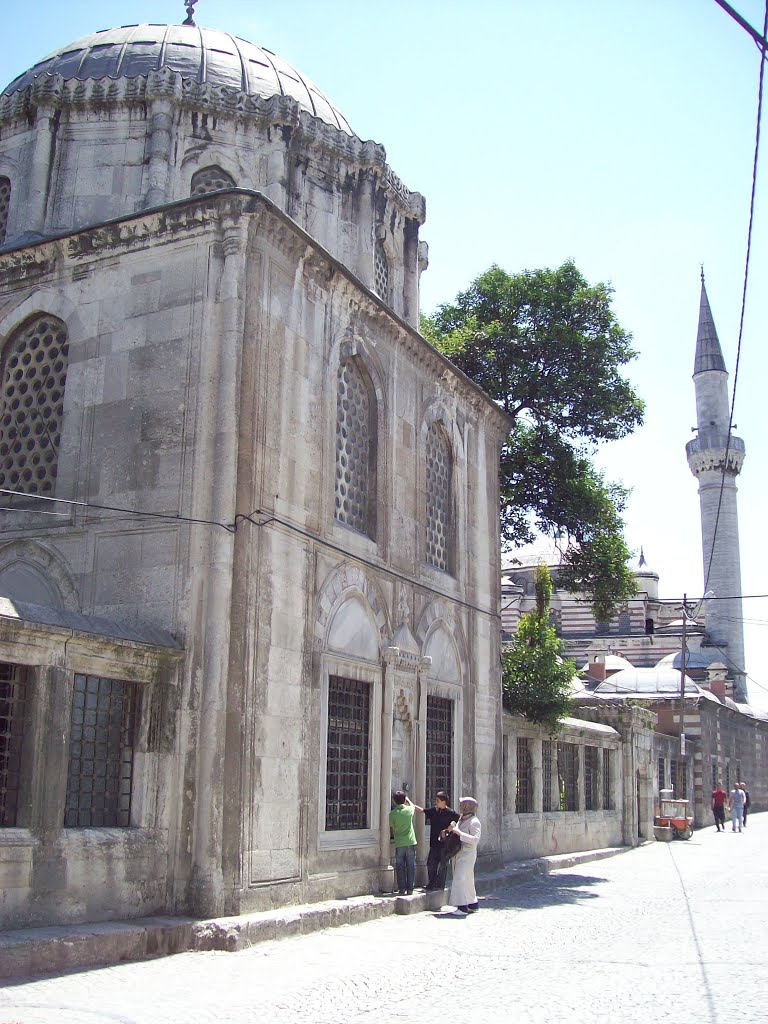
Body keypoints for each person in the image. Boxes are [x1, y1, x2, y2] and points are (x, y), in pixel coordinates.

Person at [418, 790, 459, 891]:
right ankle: (431, 883)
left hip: (445, 844)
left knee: (443, 865)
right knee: (431, 864)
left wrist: (449, 828)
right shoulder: (434, 811)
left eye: (437, 800)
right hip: (434, 843)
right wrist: (409, 803)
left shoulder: (450, 812)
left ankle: (440, 885)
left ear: (443, 802)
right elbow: (422, 810)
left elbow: (458, 821)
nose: (436, 802)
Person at [447, 796, 481, 914]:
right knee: (467, 879)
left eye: (462, 805)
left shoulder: (474, 822)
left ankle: (462, 907)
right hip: (458, 852)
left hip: (468, 853)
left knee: (459, 878)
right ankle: (473, 904)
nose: (460, 807)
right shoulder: (462, 819)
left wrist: (459, 833)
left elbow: (475, 839)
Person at [388, 791, 421, 895]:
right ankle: (410, 889)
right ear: (404, 800)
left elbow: (392, 829)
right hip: (410, 841)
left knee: (400, 866)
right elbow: (413, 806)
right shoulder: (408, 810)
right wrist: (408, 799)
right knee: (411, 865)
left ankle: (402, 889)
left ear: (394, 801)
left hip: (399, 843)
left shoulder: (392, 813)